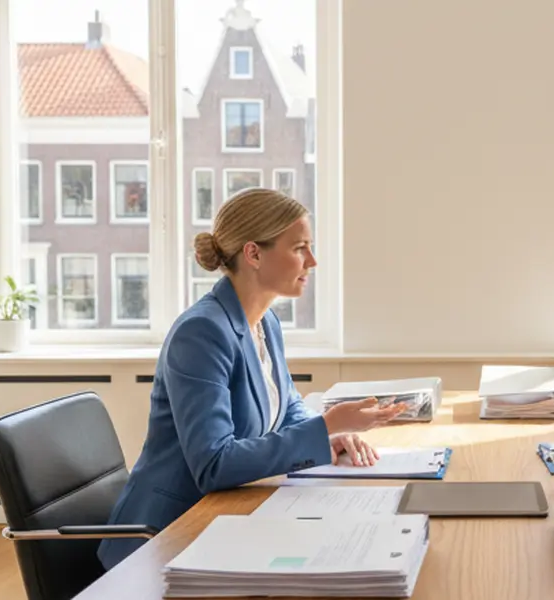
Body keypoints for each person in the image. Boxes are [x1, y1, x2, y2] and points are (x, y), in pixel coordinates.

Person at [98, 188, 405, 569]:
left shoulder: (265, 321)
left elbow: (286, 408)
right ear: (254, 254)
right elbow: (214, 464)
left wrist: (329, 434)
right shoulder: (201, 333)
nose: (312, 261)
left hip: (226, 520)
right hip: (166, 538)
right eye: (300, 248)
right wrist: (324, 427)